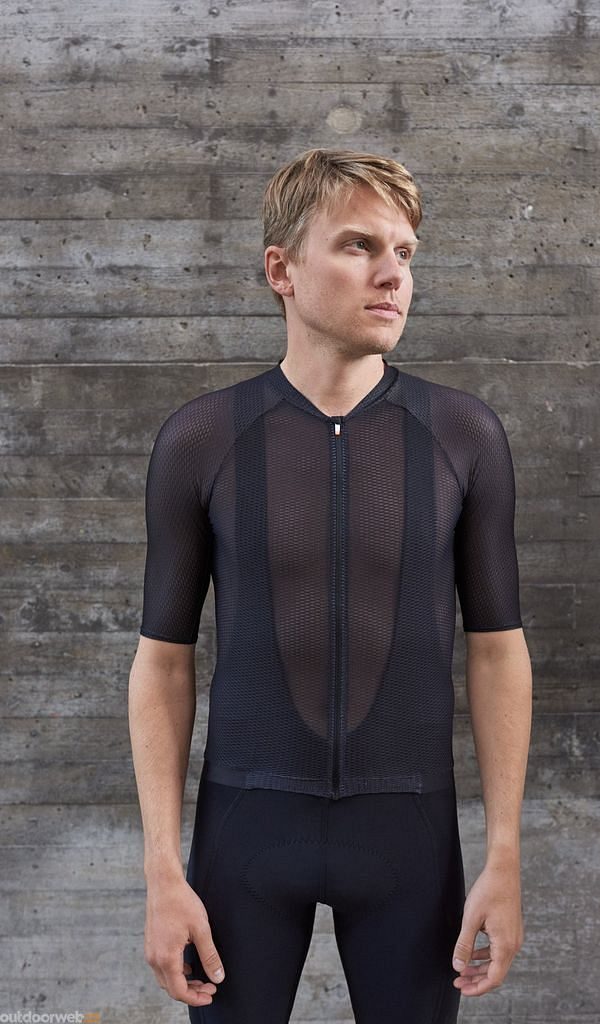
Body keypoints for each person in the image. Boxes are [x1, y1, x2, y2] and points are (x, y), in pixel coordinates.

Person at [128, 147, 533, 1024]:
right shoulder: (203, 439)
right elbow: (162, 662)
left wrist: (503, 854)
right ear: (281, 270)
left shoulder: (462, 435)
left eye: (405, 252)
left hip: (408, 839)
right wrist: (161, 870)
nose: (393, 274)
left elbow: (497, 651)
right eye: (359, 246)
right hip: (246, 833)